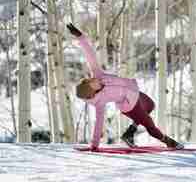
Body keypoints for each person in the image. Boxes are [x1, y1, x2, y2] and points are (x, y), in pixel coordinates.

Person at [66, 23, 184, 151]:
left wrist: (81, 38)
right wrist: (94, 145)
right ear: (92, 92)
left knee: (151, 105)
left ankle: (129, 134)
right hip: (130, 106)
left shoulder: (98, 75)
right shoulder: (99, 102)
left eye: (89, 79)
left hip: (134, 93)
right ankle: (170, 142)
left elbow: (90, 55)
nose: (93, 79)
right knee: (150, 126)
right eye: (91, 82)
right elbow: (98, 123)